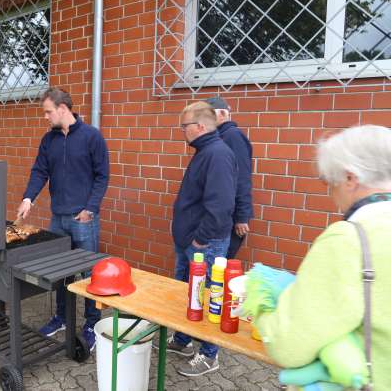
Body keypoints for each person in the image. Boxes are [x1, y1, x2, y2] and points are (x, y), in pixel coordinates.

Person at [252, 125, 391, 389]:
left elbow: (288, 345)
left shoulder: (348, 241)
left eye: (329, 182)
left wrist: (262, 301)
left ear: (350, 178)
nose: (331, 194)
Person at [17, 87, 109, 351]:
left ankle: (92, 323)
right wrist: (28, 199)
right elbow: (39, 171)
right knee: (59, 271)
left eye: (48, 112)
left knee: (89, 273)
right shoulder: (49, 140)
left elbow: (103, 176)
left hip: (84, 219)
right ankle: (62, 317)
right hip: (58, 218)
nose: (46, 117)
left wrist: (90, 208)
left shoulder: (92, 137)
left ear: (63, 109)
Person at [168, 101, 237, 376]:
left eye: (184, 126)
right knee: (188, 295)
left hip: (203, 245)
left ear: (200, 126)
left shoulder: (218, 154)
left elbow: (221, 206)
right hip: (190, 243)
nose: (181, 131)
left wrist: (200, 239)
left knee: (208, 298)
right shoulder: (205, 151)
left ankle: (210, 354)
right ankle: (183, 339)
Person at [206, 97, 253, 258]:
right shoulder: (220, 136)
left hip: (231, 219)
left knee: (219, 269)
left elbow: (242, 177)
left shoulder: (232, 136)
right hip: (221, 216)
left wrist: (242, 216)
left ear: (222, 114)